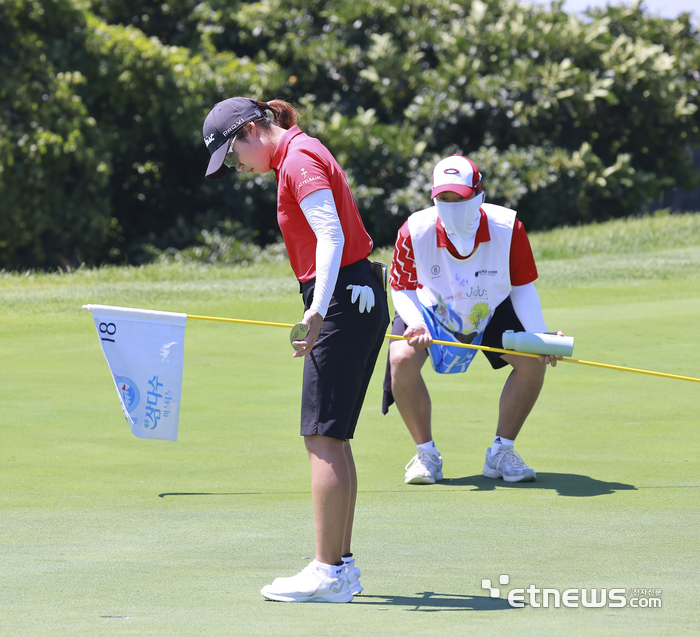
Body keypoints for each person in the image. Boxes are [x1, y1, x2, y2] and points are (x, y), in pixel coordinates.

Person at [202, 97, 389, 602]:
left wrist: (317, 309)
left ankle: (328, 570)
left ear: (249, 132)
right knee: (334, 437)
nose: (239, 168)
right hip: (356, 296)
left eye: (234, 156)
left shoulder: (299, 159)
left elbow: (329, 236)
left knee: (322, 438)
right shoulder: (298, 154)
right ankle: (340, 567)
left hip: (341, 301)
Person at [382, 155, 562, 485]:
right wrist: (416, 324)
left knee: (533, 361)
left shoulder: (508, 228)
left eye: (459, 198)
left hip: (489, 306)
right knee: (401, 356)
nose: (451, 206)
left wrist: (538, 335)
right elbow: (401, 287)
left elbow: (522, 288)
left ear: (478, 196)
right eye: (444, 199)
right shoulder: (414, 231)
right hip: (430, 308)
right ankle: (426, 455)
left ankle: (501, 452)